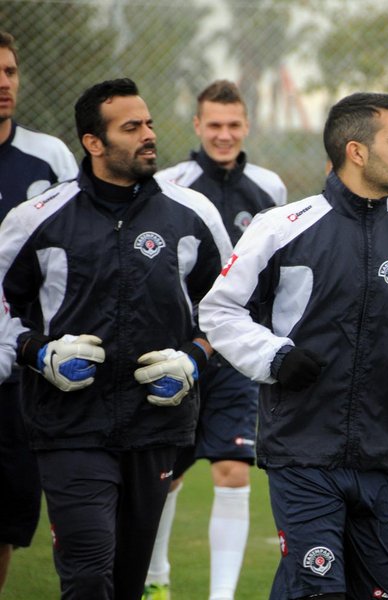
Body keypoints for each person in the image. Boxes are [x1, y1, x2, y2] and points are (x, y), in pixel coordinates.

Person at [198, 92, 388, 600]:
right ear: (356, 151)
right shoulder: (280, 228)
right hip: (303, 452)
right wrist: (276, 358)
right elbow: (220, 310)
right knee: (320, 590)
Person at [0, 77, 231, 599]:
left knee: (127, 582)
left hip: (157, 425)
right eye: (131, 127)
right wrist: (38, 352)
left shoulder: (193, 213)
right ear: (93, 142)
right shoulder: (36, 219)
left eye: (148, 123)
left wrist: (194, 359)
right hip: (69, 426)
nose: (149, 135)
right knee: (87, 574)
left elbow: (229, 309)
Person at [146, 79, 287, 600]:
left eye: (233, 125)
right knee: (167, 473)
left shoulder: (269, 188)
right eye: (214, 125)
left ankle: (221, 596)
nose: (224, 135)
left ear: (246, 125)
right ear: (197, 126)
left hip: (239, 355)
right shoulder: (169, 183)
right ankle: (156, 579)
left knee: (233, 470)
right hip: (180, 351)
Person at [0, 29, 78, 594]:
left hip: (18, 361)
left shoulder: (49, 156)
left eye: (9, 71)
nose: (3, 83)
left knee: (6, 514)